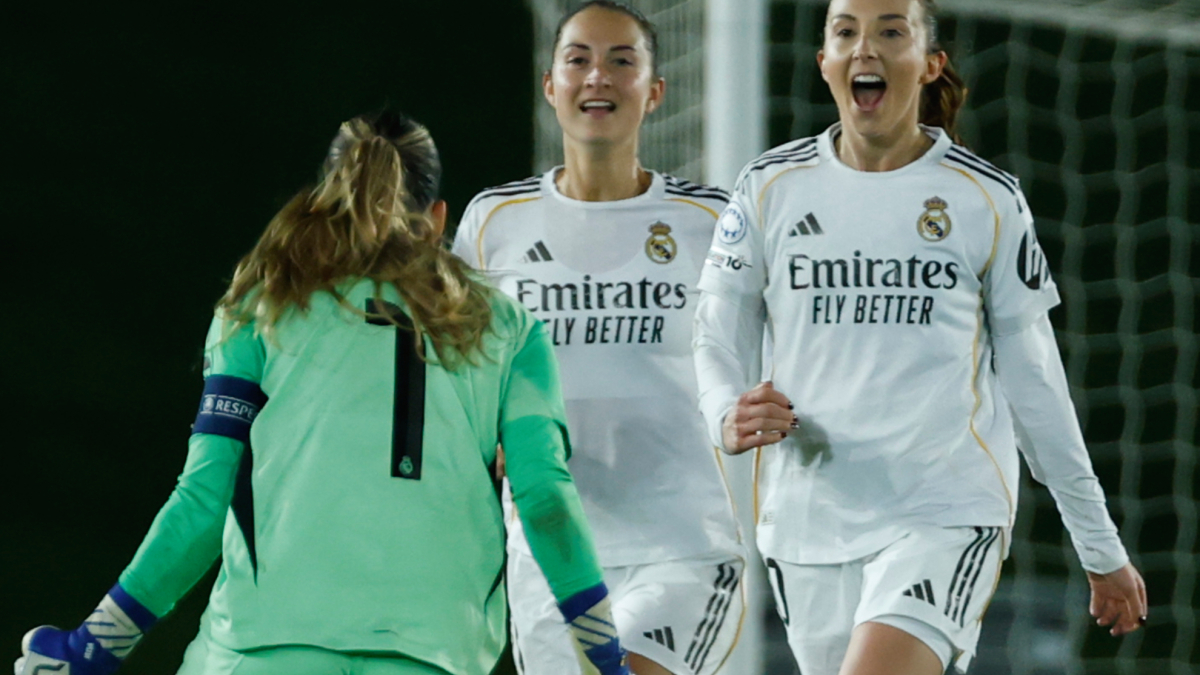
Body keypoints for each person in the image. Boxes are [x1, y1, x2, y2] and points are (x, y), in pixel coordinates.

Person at [15, 111, 631, 675]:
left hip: (259, 651)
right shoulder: (508, 328)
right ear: (439, 218)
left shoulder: (261, 304)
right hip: (434, 656)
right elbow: (545, 503)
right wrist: (609, 664)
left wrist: (95, 644)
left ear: (325, 201)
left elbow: (204, 500)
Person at [692, 1, 1148, 674]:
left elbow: (1036, 383)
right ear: (825, 64)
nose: (865, 47)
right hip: (806, 521)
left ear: (929, 64)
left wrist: (1098, 543)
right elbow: (714, 332)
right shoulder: (769, 188)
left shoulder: (983, 198)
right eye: (845, 32)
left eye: (890, 31)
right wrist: (724, 412)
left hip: (944, 509)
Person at [451, 3, 744, 674]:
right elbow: (460, 371)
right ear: (550, 86)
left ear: (655, 92)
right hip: (548, 556)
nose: (597, 78)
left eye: (622, 61)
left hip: (681, 547)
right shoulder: (495, 222)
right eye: (578, 60)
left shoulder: (714, 222)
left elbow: (785, 351)